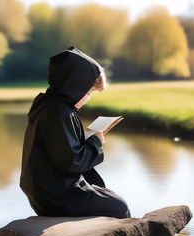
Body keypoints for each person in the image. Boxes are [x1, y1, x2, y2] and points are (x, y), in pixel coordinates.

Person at [20, 46, 131, 219]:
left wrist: (85, 140)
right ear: (74, 86)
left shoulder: (48, 104)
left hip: (43, 191)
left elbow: (62, 152)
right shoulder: (59, 113)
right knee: (119, 207)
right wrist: (95, 142)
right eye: (87, 92)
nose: (88, 98)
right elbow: (71, 162)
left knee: (107, 195)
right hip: (56, 196)